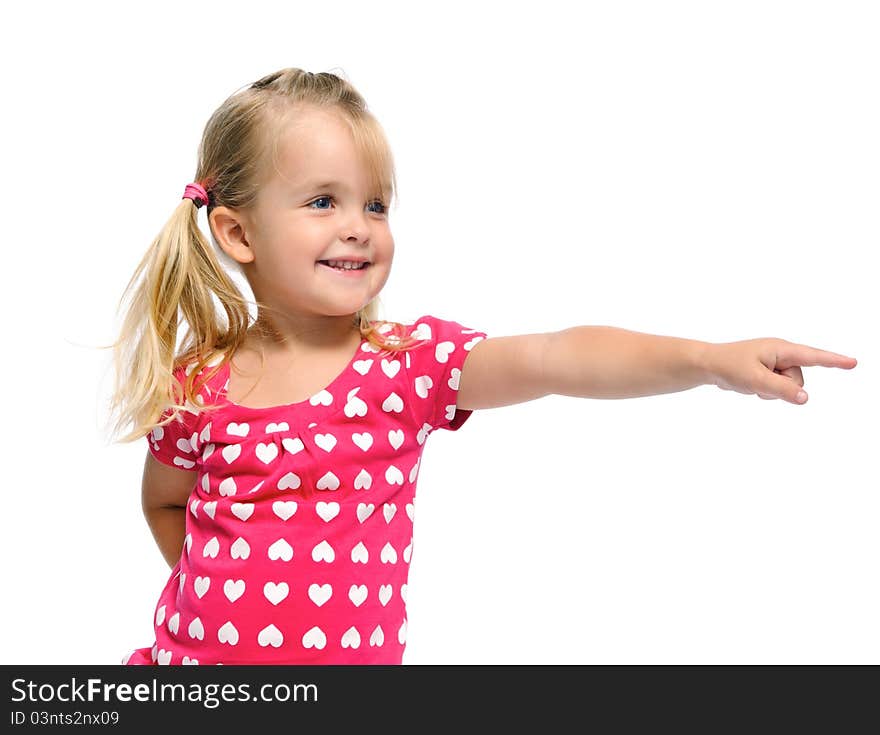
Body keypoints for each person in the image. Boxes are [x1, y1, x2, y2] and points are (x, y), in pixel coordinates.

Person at [108, 67, 857, 666]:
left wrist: (706, 359)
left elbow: (556, 355)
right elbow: (165, 504)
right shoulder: (198, 384)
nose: (359, 229)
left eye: (375, 205)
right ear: (238, 232)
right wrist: (231, 596)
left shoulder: (404, 367)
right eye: (323, 201)